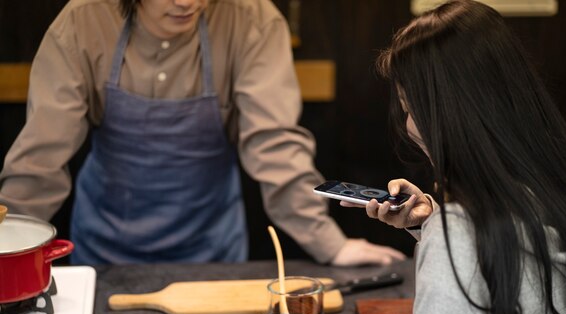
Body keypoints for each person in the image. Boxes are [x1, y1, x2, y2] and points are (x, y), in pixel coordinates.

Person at [287, 1, 566, 314]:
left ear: (447, 115)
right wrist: (429, 223)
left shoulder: (459, 235)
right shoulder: (565, 186)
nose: (409, 125)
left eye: (410, 108)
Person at [0, 0, 405, 266]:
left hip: (211, 248)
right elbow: (42, 152)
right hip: (105, 243)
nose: (186, 2)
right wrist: (7, 247)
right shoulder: (84, 20)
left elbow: (274, 143)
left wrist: (330, 244)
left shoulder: (252, 19)